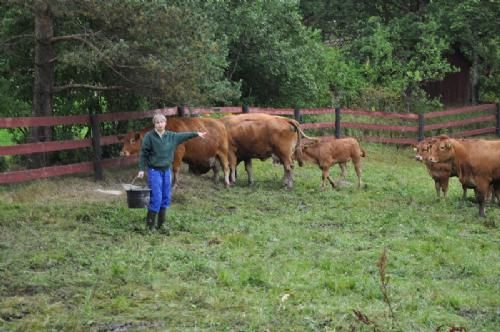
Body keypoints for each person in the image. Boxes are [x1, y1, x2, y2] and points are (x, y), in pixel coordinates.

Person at [137, 113, 206, 233]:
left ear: (165, 123)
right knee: (156, 197)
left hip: (166, 171)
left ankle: (161, 225)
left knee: (165, 197)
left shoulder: (171, 136)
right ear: (154, 124)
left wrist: (197, 134)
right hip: (154, 171)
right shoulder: (149, 137)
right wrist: (142, 169)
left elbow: (184, 135)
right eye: (157, 122)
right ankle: (149, 226)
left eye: (162, 122)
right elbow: (144, 154)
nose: (160, 124)